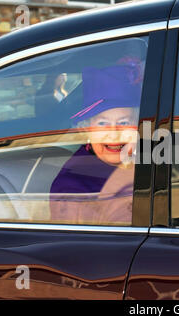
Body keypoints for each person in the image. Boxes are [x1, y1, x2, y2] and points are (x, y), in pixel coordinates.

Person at [49, 65, 141, 225]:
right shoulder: (73, 187)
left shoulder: (145, 158)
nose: (114, 134)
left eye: (124, 122)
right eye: (103, 123)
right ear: (86, 128)